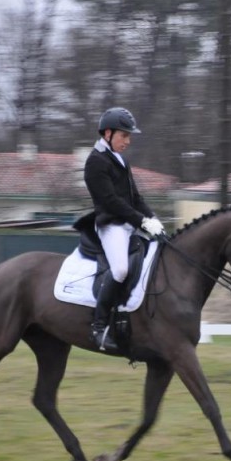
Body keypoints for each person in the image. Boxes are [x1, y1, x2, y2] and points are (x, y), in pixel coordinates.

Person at [83, 107, 164, 351]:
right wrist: (141, 221)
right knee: (119, 270)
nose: (128, 141)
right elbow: (111, 202)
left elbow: (134, 197)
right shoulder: (95, 162)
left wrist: (153, 219)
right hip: (112, 226)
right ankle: (98, 328)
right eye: (124, 136)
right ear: (107, 133)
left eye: (129, 137)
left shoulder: (120, 159)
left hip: (130, 223)